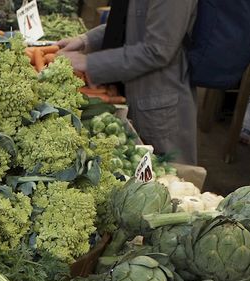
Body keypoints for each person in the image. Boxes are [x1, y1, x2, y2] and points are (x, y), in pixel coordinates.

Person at [59, 0, 199, 164]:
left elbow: (157, 50)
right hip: (133, 91)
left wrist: (89, 63)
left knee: (168, 177)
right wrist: (86, 40)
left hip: (160, 106)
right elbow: (133, 23)